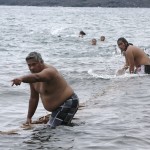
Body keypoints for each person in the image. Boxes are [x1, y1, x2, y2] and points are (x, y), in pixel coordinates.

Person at [11, 52, 79, 128]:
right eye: (29, 65)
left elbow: (38, 77)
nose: (31, 68)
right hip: (58, 107)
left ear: (41, 62)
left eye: (34, 64)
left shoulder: (50, 71)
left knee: (52, 129)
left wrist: (21, 78)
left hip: (68, 102)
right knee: (57, 128)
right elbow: (34, 98)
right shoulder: (32, 77)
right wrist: (29, 117)